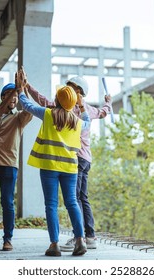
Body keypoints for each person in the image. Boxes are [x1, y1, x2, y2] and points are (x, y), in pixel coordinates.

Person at [25, 75, 112, 251]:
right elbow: (103, 112)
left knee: (73, 200)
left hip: (74, 158)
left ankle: (79, 237)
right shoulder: (85, 110)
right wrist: (108, 102)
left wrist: (25, 88)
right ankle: (89, 236)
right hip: (85, 158)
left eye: (70, 87)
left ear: (78, 91)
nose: (65, 90)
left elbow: (41, 102)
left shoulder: (63, 110)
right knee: (81, 198)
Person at [15, 67, 91, 256]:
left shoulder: (48, 115)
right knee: (72, 202)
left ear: (56, 100)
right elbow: (88, 122)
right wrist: (81, 107)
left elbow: (26, 105)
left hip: (49, 167)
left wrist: (20, 89)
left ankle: (54, 244)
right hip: (70, 168)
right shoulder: (77, 121)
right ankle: (80, 240)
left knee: (51, 205)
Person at [0, 83, 33, 251]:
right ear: (3, 97)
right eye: (10, 94)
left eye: (16, 95)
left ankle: (7, 239)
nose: (13, 97)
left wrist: (22, 90)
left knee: (7, 202)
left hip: (9, 164)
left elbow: (30, 109)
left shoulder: (19, 118)